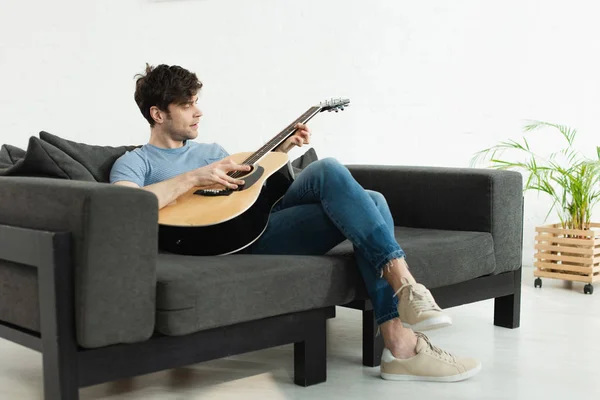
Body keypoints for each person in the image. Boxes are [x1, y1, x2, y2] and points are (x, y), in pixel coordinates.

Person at [110, 63, 482, 382]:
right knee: (364, 194)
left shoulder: (214, 151)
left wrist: (282, 151)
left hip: (261, 222)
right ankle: (403, 321)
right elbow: (124, 206)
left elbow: (249, 193)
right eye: (187, 105)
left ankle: (399, 336)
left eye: (197, 103)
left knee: (357, 188)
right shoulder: (136, 162)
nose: (198, 112)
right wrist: (193, 178)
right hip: (230, 242)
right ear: (158, 114)